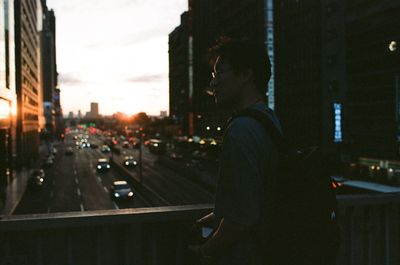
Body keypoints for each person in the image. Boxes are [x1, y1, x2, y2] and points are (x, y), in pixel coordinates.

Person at [190, 36, 282, 265]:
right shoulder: (269, 120)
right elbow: (254, 196)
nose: (213, 83)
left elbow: (240, 220)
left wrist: (204, 253)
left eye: (219, 73)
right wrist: (216, 215)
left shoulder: (242, 130)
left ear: (246, 75)